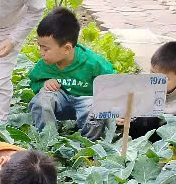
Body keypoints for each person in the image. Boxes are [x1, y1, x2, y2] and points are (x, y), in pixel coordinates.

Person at [27, 8, 114, 137]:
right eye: (40, 47)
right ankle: (47, 139)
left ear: (67, 48)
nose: (41, 53)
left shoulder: (93, 63)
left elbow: (113, 85)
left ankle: (89, 144)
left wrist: (114, 110)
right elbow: (35, 82)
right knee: (40, 101)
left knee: (96, 110)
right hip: (60, 102)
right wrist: (44, 83)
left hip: (86, 102)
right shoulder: (44, 64)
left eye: (45, 49)